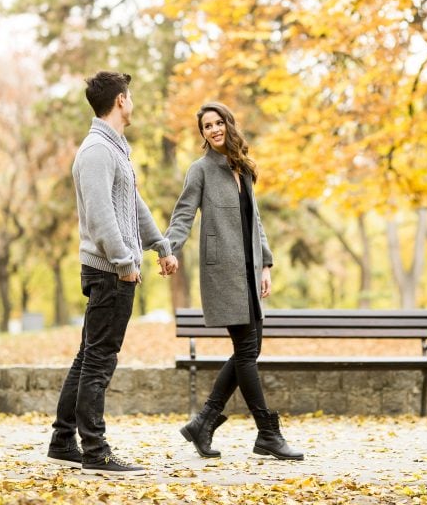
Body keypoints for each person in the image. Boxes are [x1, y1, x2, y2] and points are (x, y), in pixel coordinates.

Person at [47, 71, 178, 477]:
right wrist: (125, 262)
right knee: (100, 361)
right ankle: (96, 450)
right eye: (131, 97)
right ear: (121, 100)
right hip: (109, 271)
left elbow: (133, 206)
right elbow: (103, 217)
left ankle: (62, 440)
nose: (133, 103)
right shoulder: (97, 151)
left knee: (88, 356)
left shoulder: (114, 150)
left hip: (113, 269)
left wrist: (161, 245)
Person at [162, 101, 303, 461]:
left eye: (218, 122)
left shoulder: (242, 167)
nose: (213, 130)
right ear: (203, 135)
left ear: (228, 123)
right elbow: (182, 215)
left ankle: (203, 422)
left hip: (250, 271)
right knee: (246, 350)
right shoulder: (200, 171)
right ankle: (268, 433)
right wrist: (169, 249)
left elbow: (254, 221)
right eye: (206, 126)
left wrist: (266, 264)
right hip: (223, 273)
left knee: (249, 351)